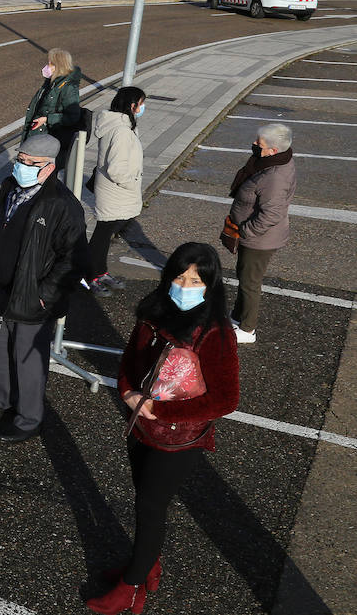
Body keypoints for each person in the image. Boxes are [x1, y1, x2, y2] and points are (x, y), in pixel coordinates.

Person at [87, 243, 239, 615]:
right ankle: (147, 564)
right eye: (179, 276)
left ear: (210, 285)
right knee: (144, 499)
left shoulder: (216, 332)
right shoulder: (153, 312)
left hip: (179, 439)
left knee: (150, 507)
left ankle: (132, 585)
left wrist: (163, 408)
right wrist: (126, 391)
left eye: (196, 279)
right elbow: (130, 358)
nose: (186, 285)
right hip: (141, 426)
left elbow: (225, 399)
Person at [0, 132, 85, 442]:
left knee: (27, 358)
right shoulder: (9, 187)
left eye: (28, 163)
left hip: (33, 295)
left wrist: (44, 296)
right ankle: (0, 396)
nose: (20, 167)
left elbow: (73, 260)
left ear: (48, 167)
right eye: (18, 160)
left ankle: (29, 418)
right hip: (3, 286)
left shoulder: (62, 205)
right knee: (0, 345)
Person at [225, 123, 295, 344]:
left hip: (260, 239)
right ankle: (238, 317)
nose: (254, 145)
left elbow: (271, 214)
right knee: (245, 277)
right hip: (258, 237)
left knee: (250, 282)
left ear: (273, 150)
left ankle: (247, 329)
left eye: (259, 144)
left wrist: (246, 231)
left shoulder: (274, 176)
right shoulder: (276, 161)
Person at [85, 87, 146, 297]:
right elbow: (116, 169)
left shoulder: (122, 126)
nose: (142, 108)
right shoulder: (120, 130)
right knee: (102, 235)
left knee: (105, 234)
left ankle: (99, 272)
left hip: (114, 191)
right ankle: (91, 276)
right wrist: (133, 183)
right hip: (116, 191)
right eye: (141, 103)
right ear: (132, 105)